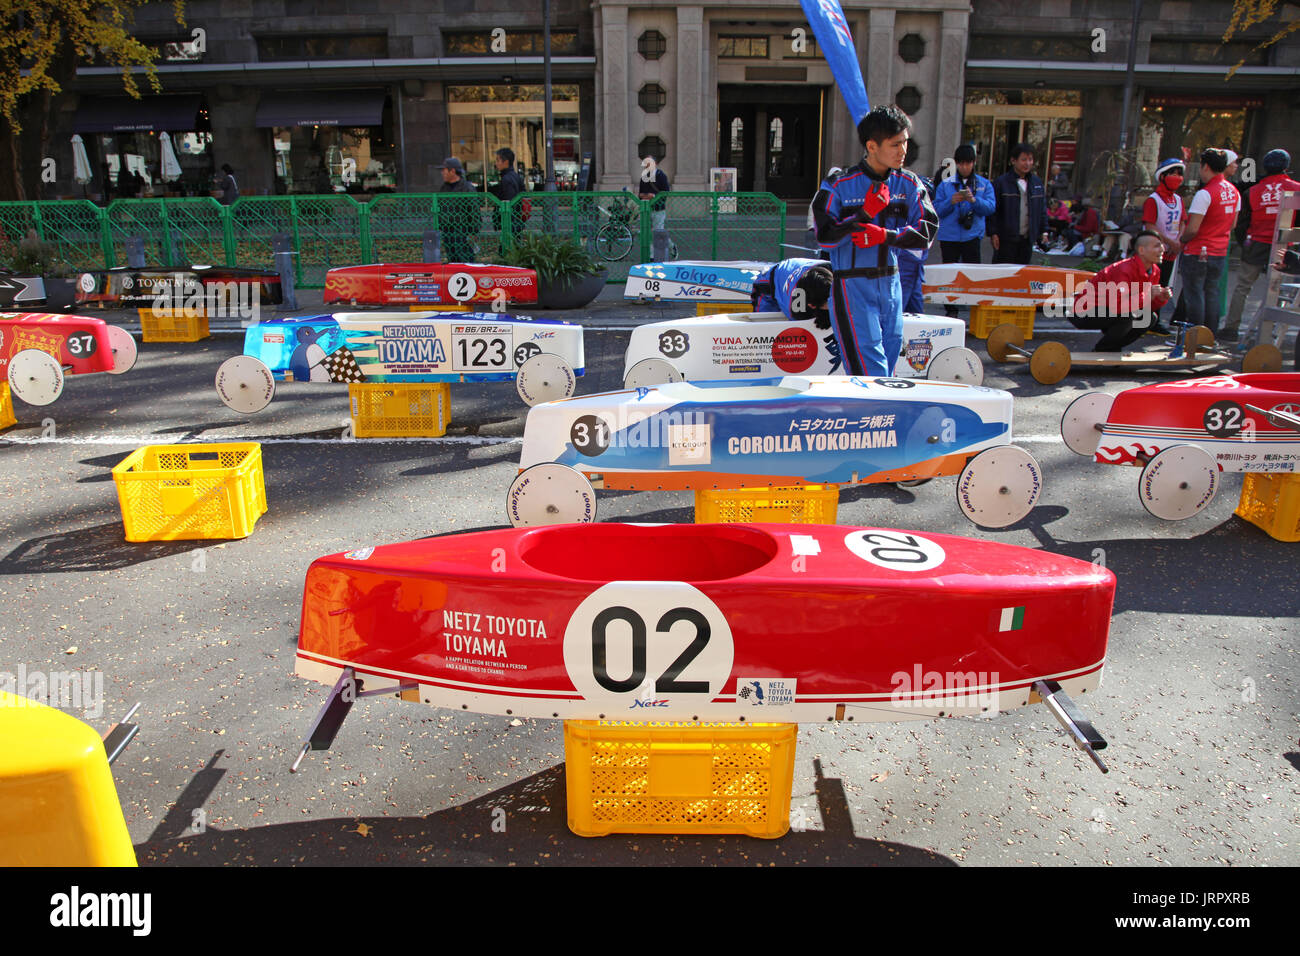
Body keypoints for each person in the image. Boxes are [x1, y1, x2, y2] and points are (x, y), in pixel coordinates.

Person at [811, 104, 938, 376]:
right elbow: (824, 237)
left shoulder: (909, 183)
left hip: (892, 286)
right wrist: (865, 213)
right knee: (872, 374)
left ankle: (879, 418)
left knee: (887, 372)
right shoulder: (838, 184)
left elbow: (927, 231)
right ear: (872, 146)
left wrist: (885, 236)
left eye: (905, 142)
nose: (903, 150)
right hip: (852, 286)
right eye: (895, 144)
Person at [1225, 149, 1300, 343]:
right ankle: (1273, 330)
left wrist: (1246, 243)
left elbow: (1242, 225)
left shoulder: (1252, 191)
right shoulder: (1296, 188)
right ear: (1286, 166)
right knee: (1279, 286)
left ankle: (1231, 328)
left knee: (1243, 287)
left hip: (1256, 242)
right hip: (1285, 247)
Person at [1070, 231, 1173, 351]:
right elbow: (1118, 306)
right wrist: (1147, 295)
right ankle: (1104, 349)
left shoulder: (1154, 270)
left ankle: (1112, 347)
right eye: (1157, 246)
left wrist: (1160, 299)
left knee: (1150, 318)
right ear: (1141, 250)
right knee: (1128, 315)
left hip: (1108, 310)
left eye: (1161, 245)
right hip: (1083, 311)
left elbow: (1145, 305)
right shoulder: (1124, 269)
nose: (1162, 249)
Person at [1176, 148, 1241, 334]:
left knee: (1194, 294)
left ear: (1205, 166)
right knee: (1212, 293)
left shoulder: (1205, 194)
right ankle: (1209, 337)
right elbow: (1233, 224)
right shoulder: (1233, 192)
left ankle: (1195, 337)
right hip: (1219, 251)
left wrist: (1182, 240)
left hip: (1198, 251)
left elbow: (1193, 229)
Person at [934, 144, 994, 316]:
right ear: (956, 164)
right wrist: (950, 201)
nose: (965, 167)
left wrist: (974, 201)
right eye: (961, 163)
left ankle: (974, 307)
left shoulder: (984, 184)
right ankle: (951, 310)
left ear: (974, 163)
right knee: (949, 275)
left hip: (972, 236)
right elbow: (936, 210)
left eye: (968, 163)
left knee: (973, 274)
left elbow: (990, 208)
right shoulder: (945, 185)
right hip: (949, 237)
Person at [1141, 157, 1186, 332]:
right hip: (1153, 251)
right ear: (1162, 176)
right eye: (1172, 173)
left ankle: (1155, 320)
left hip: (1171, 252)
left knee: (1164, 286)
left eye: (1179, 174)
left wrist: (1178, 241)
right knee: (1149, 285)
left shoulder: (1179, 200)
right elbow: (1150, 225)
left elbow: (1183, 221)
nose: (1177, 177)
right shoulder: (1153, 200)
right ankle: (1143, 321)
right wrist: (1169, 241)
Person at [990, 143, 1047, 264]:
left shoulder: (1037, 183)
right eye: (1023, 160)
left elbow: (1041, 209)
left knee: (1022, 272)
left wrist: (1044, 231)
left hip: (1027, 239)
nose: (1027, 163)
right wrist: (993, 233)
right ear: (1013, 160)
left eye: (1030, 160)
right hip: (1006, 238)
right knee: (1003, 273)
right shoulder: (1001, 182)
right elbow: (993, 210)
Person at [439, 156, 478, 263]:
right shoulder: (444, 188)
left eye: (444, 170)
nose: (443, 173)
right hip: (447, 230)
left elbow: (473, 210)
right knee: (452, 259)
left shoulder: (467, 188)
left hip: (462, 230)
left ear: (452, 171)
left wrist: (473, 231)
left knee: (465, 259)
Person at [637, 157, 674, 255]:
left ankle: (670, 246)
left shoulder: (661, 175)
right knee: (645, 232)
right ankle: (651, 255)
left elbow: (665, 193)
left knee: (658, 232)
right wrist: (647, 196)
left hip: (658, 209)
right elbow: (640, 194)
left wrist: (653, 197)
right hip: (646, 209)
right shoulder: (644, 176)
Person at [488, 147, 526, 233]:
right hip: (516, 220)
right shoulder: (515, 176)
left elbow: (509, 201)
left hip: (510, 221)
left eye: (498, 160)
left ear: (506, 162)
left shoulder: (507, 179)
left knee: (507, 244)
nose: (496, 163)